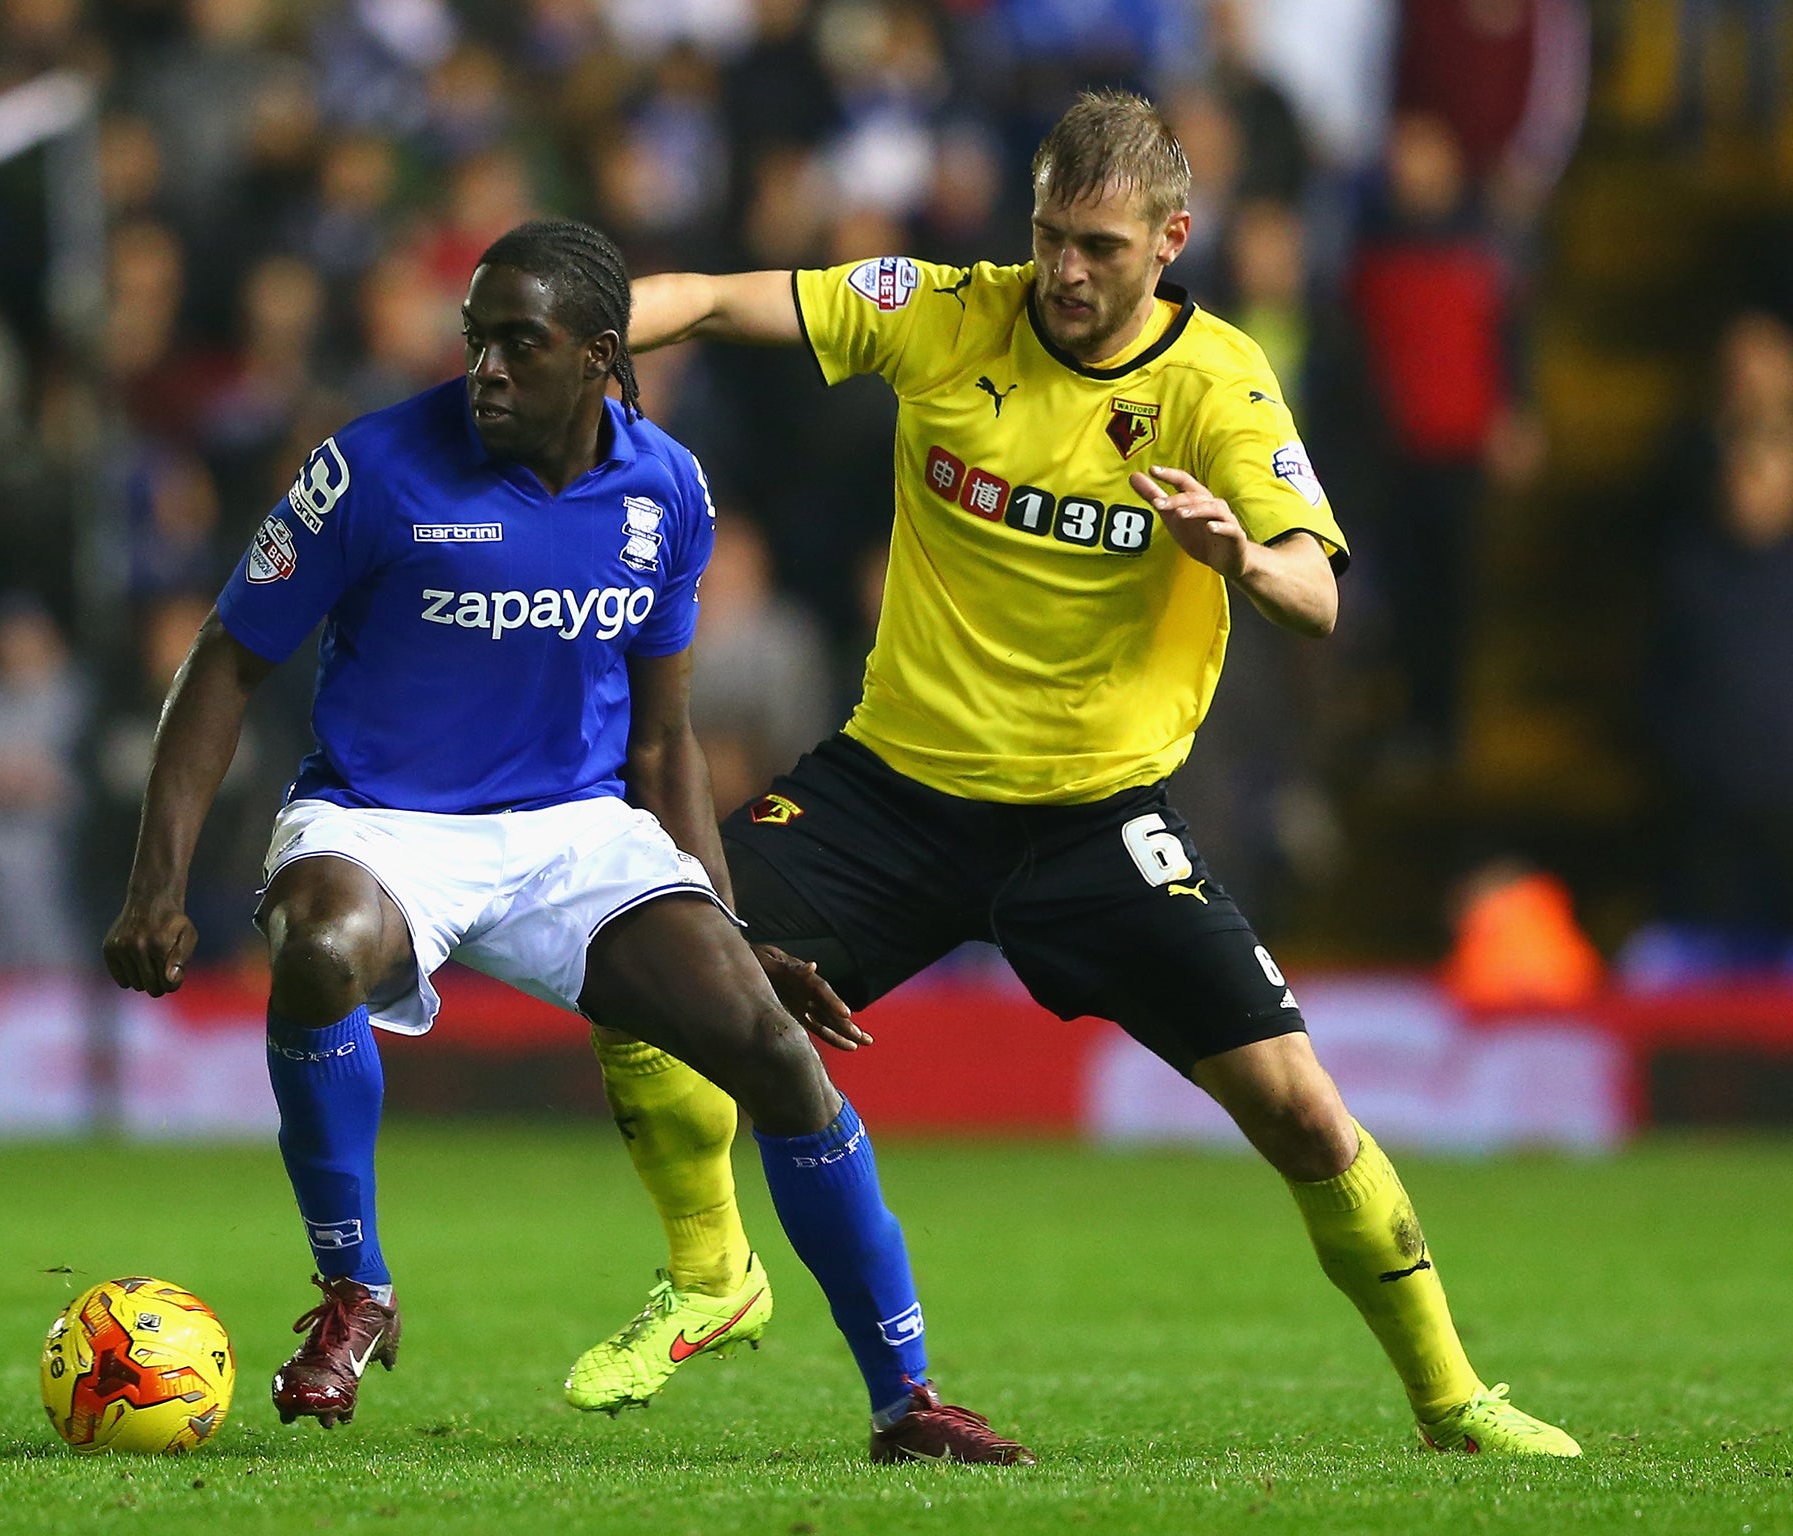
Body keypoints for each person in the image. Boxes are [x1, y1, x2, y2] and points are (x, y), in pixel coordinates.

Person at [566, 91, 1580, 1459]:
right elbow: (709, 297)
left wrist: (1237, 555)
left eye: (1099, 245)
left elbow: (1315, 594)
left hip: (1095, 824)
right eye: (1050, 236)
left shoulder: (1216, 383)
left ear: (1171, 238)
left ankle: (1455, 1401)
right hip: (892, 794)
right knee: (640, 952)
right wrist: (567, 331)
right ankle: (711, 1275)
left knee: (1299, 1110)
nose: (1065, 272)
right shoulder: (939, 308)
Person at [102, 220, 1032, 1465]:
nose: (484, 367)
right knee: (320, 947)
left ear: (601, 356)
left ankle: (904, 1400)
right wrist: (155, 881)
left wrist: (738, 932)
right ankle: (355, 1294)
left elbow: (663, 746)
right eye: (474, 340)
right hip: (383, 822)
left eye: (516, 345)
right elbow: (224, 664)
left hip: (573, 832)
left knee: (772, 1046)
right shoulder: (368, 471)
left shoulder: (667, 493)